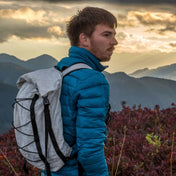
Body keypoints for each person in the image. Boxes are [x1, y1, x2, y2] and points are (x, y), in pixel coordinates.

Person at [42, 6, 117, 176]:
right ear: (84, 39)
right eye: (106, 35)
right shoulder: (92, 80)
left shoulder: (60, 70)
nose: (114, 42)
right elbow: (90, 150)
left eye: (114, 35)